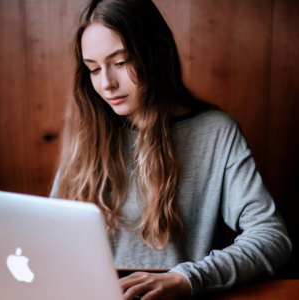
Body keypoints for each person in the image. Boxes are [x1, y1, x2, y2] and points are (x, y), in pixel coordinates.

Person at [49, 0, 292, 299]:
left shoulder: (215, 132)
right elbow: (52, 237)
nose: (106, 83)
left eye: (121, 62)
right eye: (94, 68)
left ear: (156, 53)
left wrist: (187, 279)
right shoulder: (87, 132)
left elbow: (271, 236)